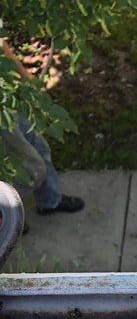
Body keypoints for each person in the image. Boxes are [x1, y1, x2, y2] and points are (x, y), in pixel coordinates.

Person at [1, 38, 84, 218]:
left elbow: (1, 47)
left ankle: (49, 201)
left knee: (40, 147)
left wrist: (26, 77)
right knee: (32, 169)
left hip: (6, 100)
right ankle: (6, 216)